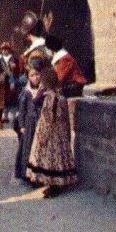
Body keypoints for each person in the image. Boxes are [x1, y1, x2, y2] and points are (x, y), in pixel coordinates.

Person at [26, 66, 79, 198]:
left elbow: (48, 118)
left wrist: (42, 136)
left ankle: (55, 186)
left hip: (51, 133)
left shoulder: (51, 97)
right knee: (59, 159)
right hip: (60, 133)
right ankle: (55, 185)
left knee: (51, 160)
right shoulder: (60, 94)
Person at [14, 66, 43, 182]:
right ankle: (26, 173)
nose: (35, 78)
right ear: (28, 78)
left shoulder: (43, 90)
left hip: (41, 122)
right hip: (29, 123)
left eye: (37, 75)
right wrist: (22, 125)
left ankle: (39, 173)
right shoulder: (25, 93)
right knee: (28, 147)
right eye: (32, 75)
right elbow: (21, 111)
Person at [2, 45, 26, 123]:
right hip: (4, 81)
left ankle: (14, 116)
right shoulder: (1, 59)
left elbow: (14, 71)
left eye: (6, 49)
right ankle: (5, 116)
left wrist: (12, 81)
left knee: (13, 97)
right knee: (5, 98)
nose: (4, 51)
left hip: (12, 80)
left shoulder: (13, 59)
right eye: (3, 49)